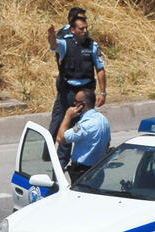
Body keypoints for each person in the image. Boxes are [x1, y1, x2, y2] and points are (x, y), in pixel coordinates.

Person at [47, 16, 107, 169]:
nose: (85, 31)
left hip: (86, 92)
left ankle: (86, 161)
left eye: (86, 28)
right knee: (62, 123)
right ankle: (59, 162)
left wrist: (103, 92)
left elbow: (100, 69)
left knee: (84, 125)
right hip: (69, 92)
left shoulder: (93, 46)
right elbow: (54, 44)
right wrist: (51, 35)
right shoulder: (66, 44)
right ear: (73, 30)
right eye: (81, 28)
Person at [56, 88, 111, 182]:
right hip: (98, 171)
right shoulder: (103, 119)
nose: (74, 104)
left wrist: (67, 116)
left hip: (84, 174)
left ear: (82, 105)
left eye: (76, 102)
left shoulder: (84, 125)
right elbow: (107, 144)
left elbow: (61, 138)